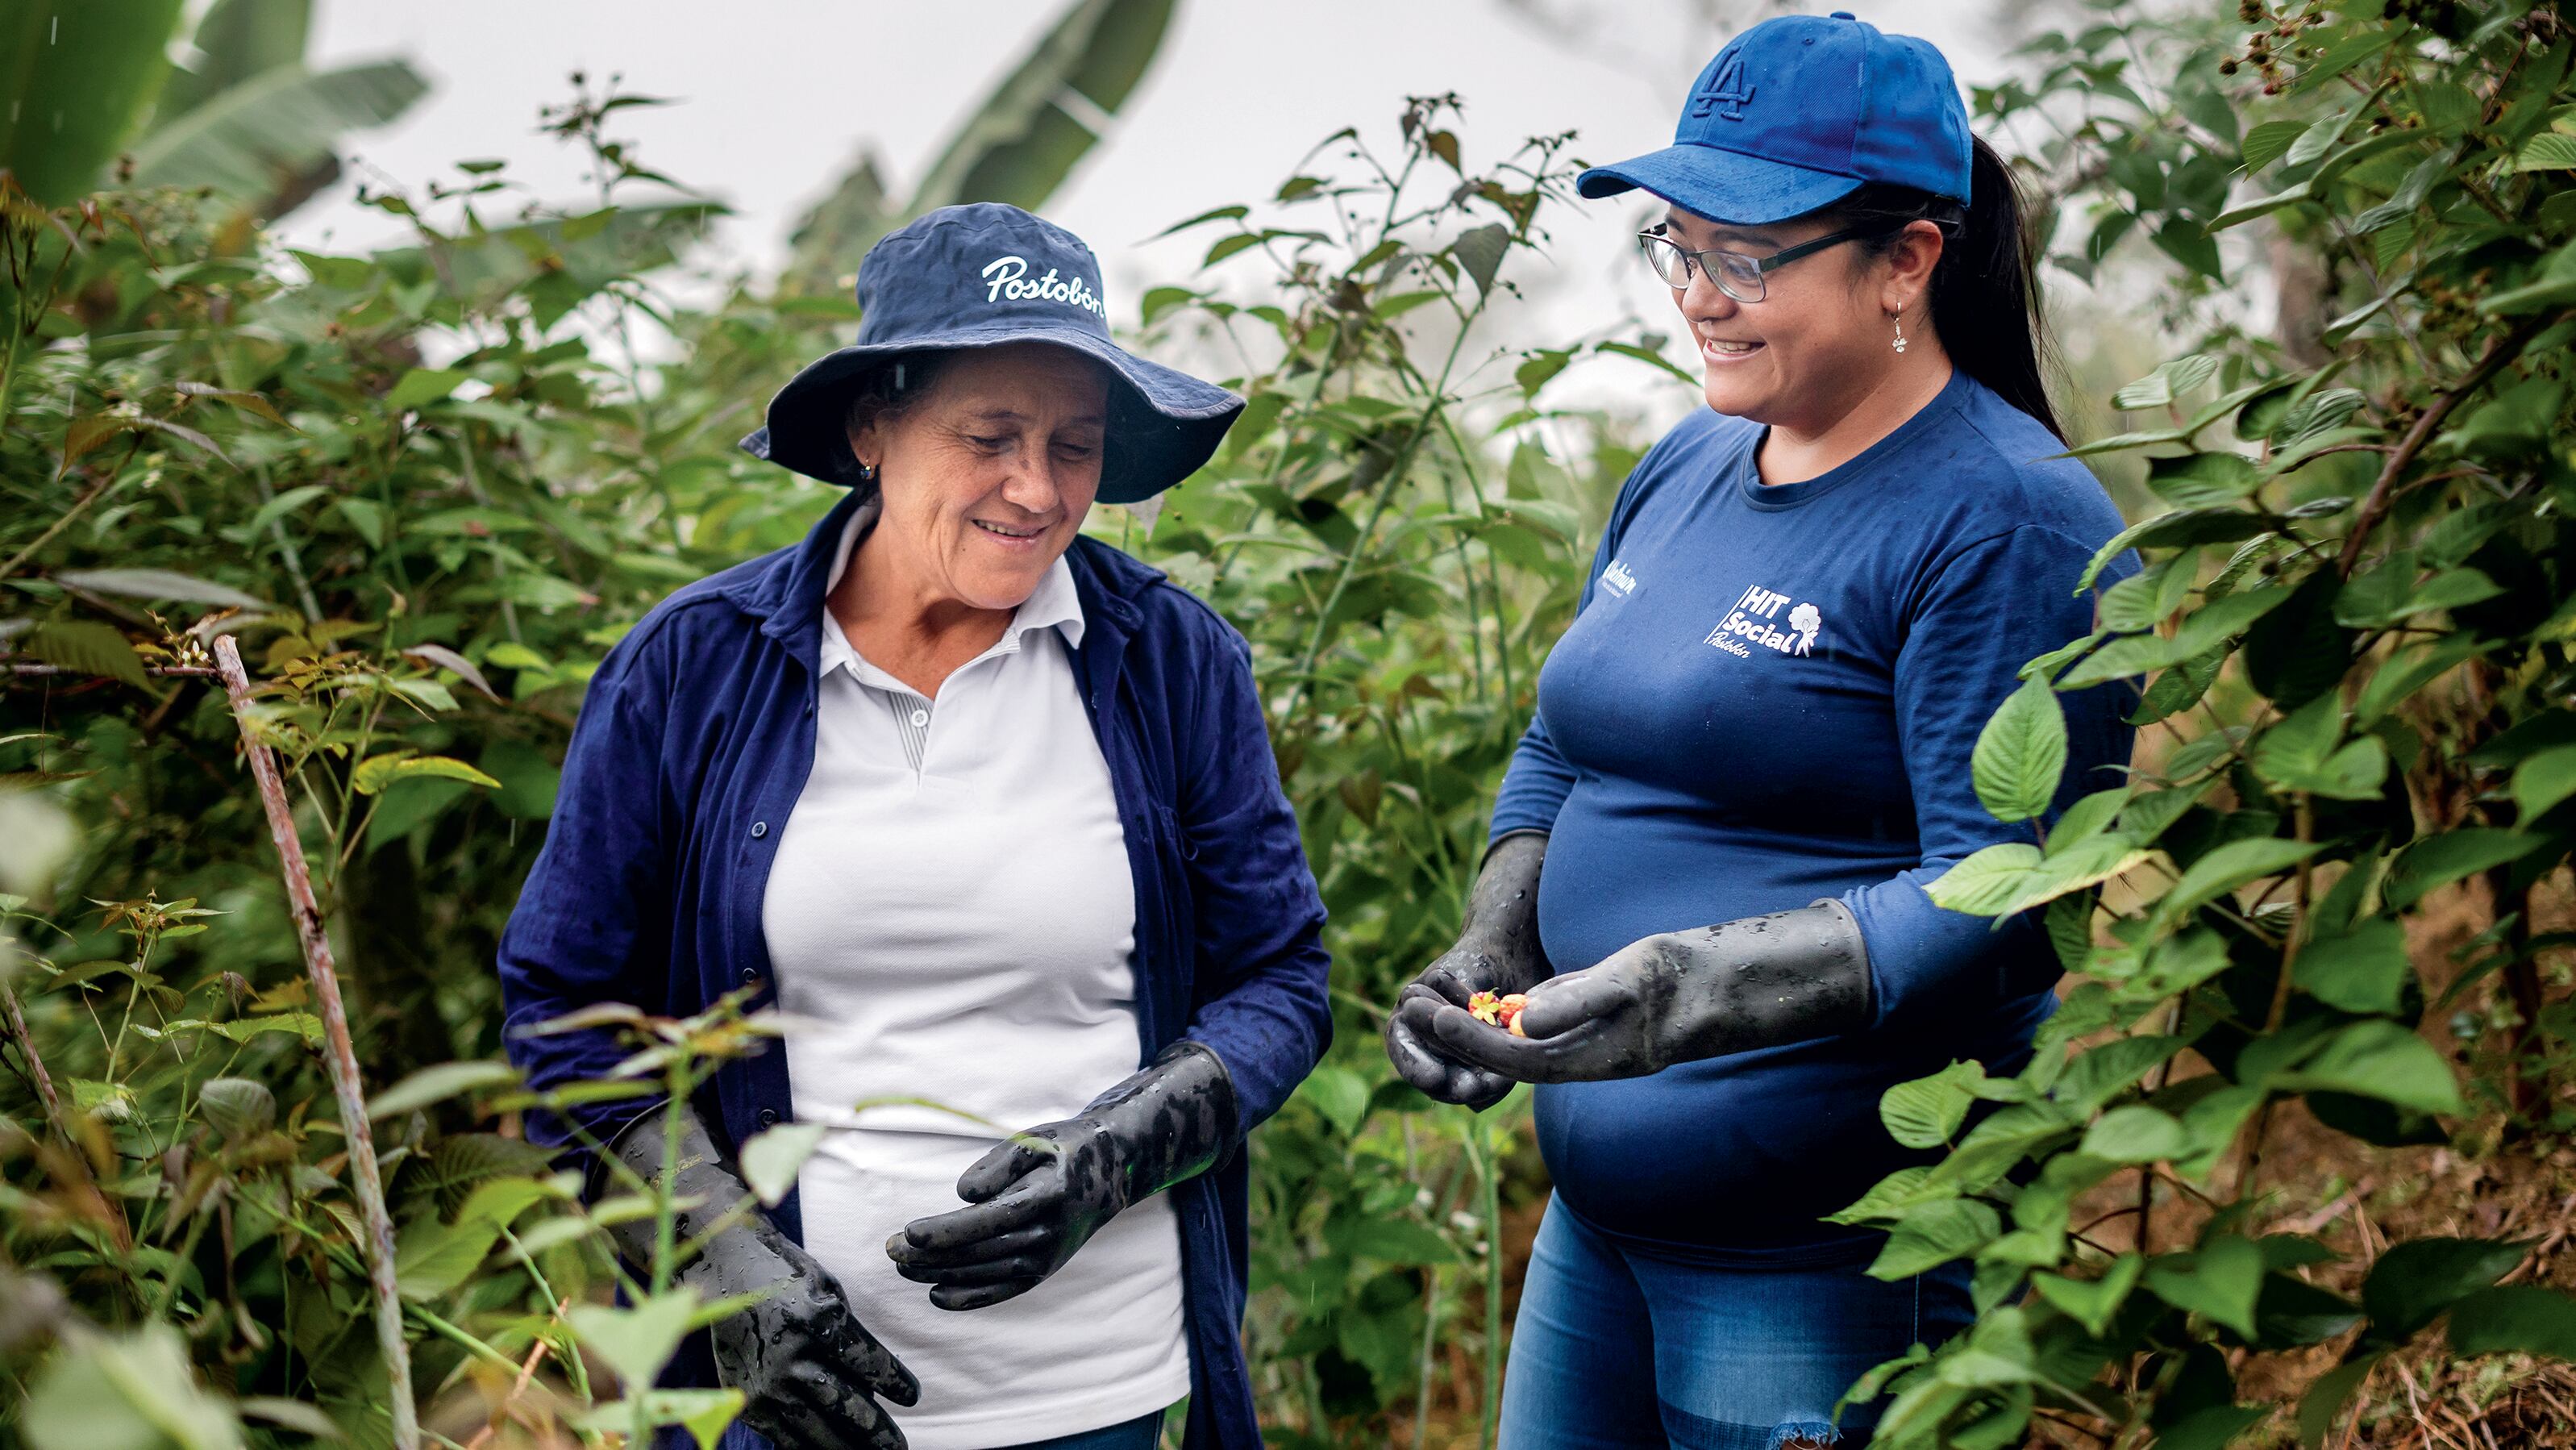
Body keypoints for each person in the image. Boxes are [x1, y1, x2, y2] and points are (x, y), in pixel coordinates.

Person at [1381, 13, 2139, 1448]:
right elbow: (1568, 742)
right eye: (1679, 245)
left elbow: (2009, 898)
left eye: (1750, 258)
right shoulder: (1690, 460)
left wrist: (1684, 991)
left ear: (1908, 260)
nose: (1700, 299)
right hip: (1597, 1236)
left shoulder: (2005, 521)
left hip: (1821, 1259)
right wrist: (1498, 933)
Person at [497, 202, 1333, 1450]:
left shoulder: (1168, 659)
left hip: (1092, 1392)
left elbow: (1282, 977)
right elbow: (565, 1010)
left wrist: (1117, 1147)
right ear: (872, 427)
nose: (1037, 488)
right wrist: (726, 1268)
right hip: (783, 1403)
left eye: (1076, 443)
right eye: (989, 435)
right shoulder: (693, 669)